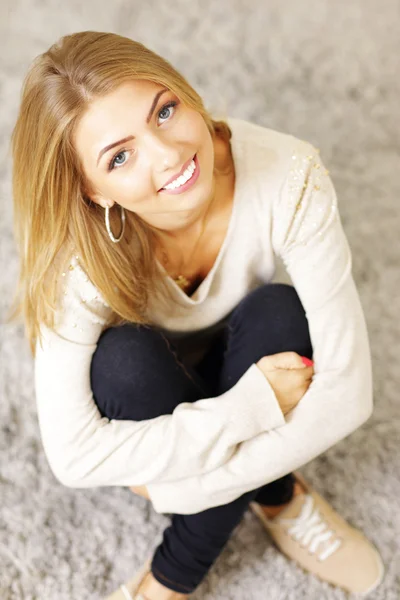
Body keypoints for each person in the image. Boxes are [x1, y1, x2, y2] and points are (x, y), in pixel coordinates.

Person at [8, 31, 384, 599]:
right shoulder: (77, 261)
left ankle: (217, 543)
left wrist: (180, 493)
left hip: (251, 351)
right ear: (93, 190)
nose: (170, 154)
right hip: (153, 387)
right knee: (121, 362)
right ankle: (240, 520)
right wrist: (250, 410)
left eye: (164, 110)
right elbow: (74, 456)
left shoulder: (290, 175)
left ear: (184, 90)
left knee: (281, 313)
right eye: (121, 156)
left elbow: (349, 395)